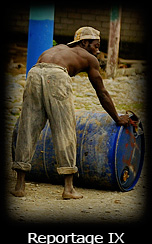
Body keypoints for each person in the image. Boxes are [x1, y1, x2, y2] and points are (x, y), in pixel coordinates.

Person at [11, 26, 129, 199]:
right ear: (84, 43)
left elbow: (43, 68)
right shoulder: (89, 58)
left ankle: (19, 186)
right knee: (64, 129)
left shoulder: (56, 49)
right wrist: (117, 118)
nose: (97, 50)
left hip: (35, 72)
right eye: (95, 46)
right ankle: (68, 188)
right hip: (57, 76)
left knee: (28, 127)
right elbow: (101, 92)